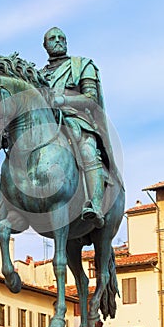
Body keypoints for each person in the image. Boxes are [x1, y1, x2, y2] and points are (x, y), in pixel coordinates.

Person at [42, 27, 116, 229]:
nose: (58, 41)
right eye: (52, 38)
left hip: (77, 121)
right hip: (48, 126)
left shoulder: (83, 65)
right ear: (45, 45)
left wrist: (63, 99)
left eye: (61, 38)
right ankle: (9, 209)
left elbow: (91, 99)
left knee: (87, 150)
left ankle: (96, 205)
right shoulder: (39, 75)